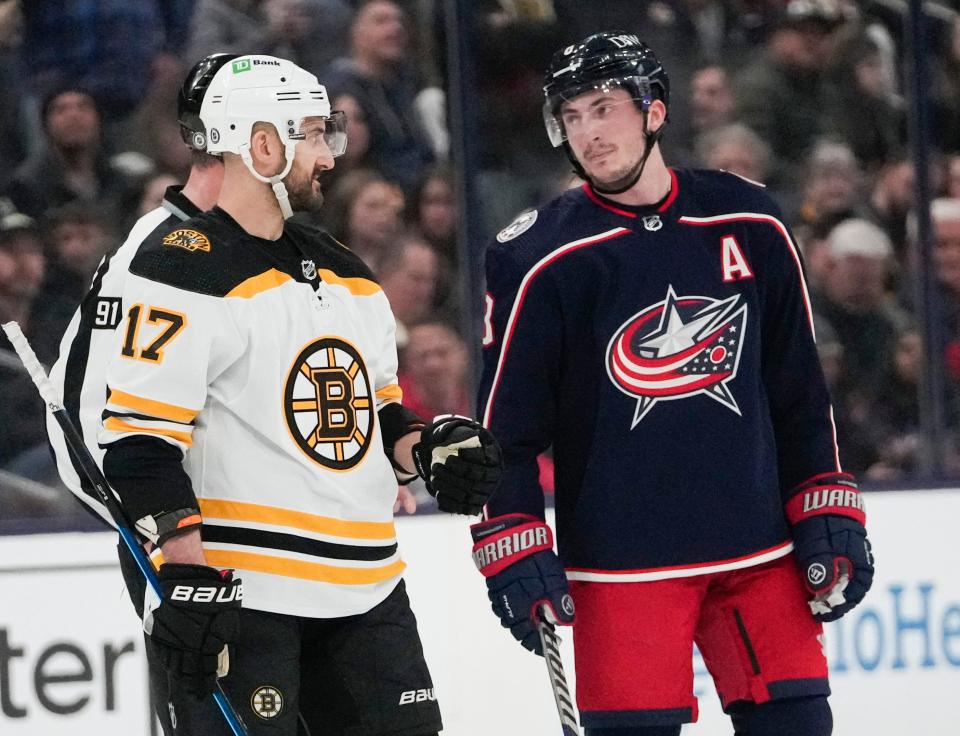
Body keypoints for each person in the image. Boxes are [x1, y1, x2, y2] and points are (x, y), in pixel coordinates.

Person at [470, 32, 874, 736]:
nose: (588, 133)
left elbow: (798, 391)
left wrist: (826, 505)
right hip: (622, 571)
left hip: (760, 552)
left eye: (603, 108)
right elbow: (504, 429)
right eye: (571, 117)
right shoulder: (538, 256)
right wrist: (513, 538)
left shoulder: (750, 220)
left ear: (654, 109)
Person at [93, 54, 500, 735]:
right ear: (261, 144)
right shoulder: (178, 266)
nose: (329, 155)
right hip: (248, 597)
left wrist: (426, 448)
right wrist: (185, 575)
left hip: (370, 591)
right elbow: (139, 444)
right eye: (312, 133)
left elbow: (374, 419)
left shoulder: (349, 272)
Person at [47, 53, 236, 528]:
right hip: (199, 544)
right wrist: (162, 526)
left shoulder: (303, 251)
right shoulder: (149, 256)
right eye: (299, 131)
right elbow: (82, 415)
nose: (321, 152)